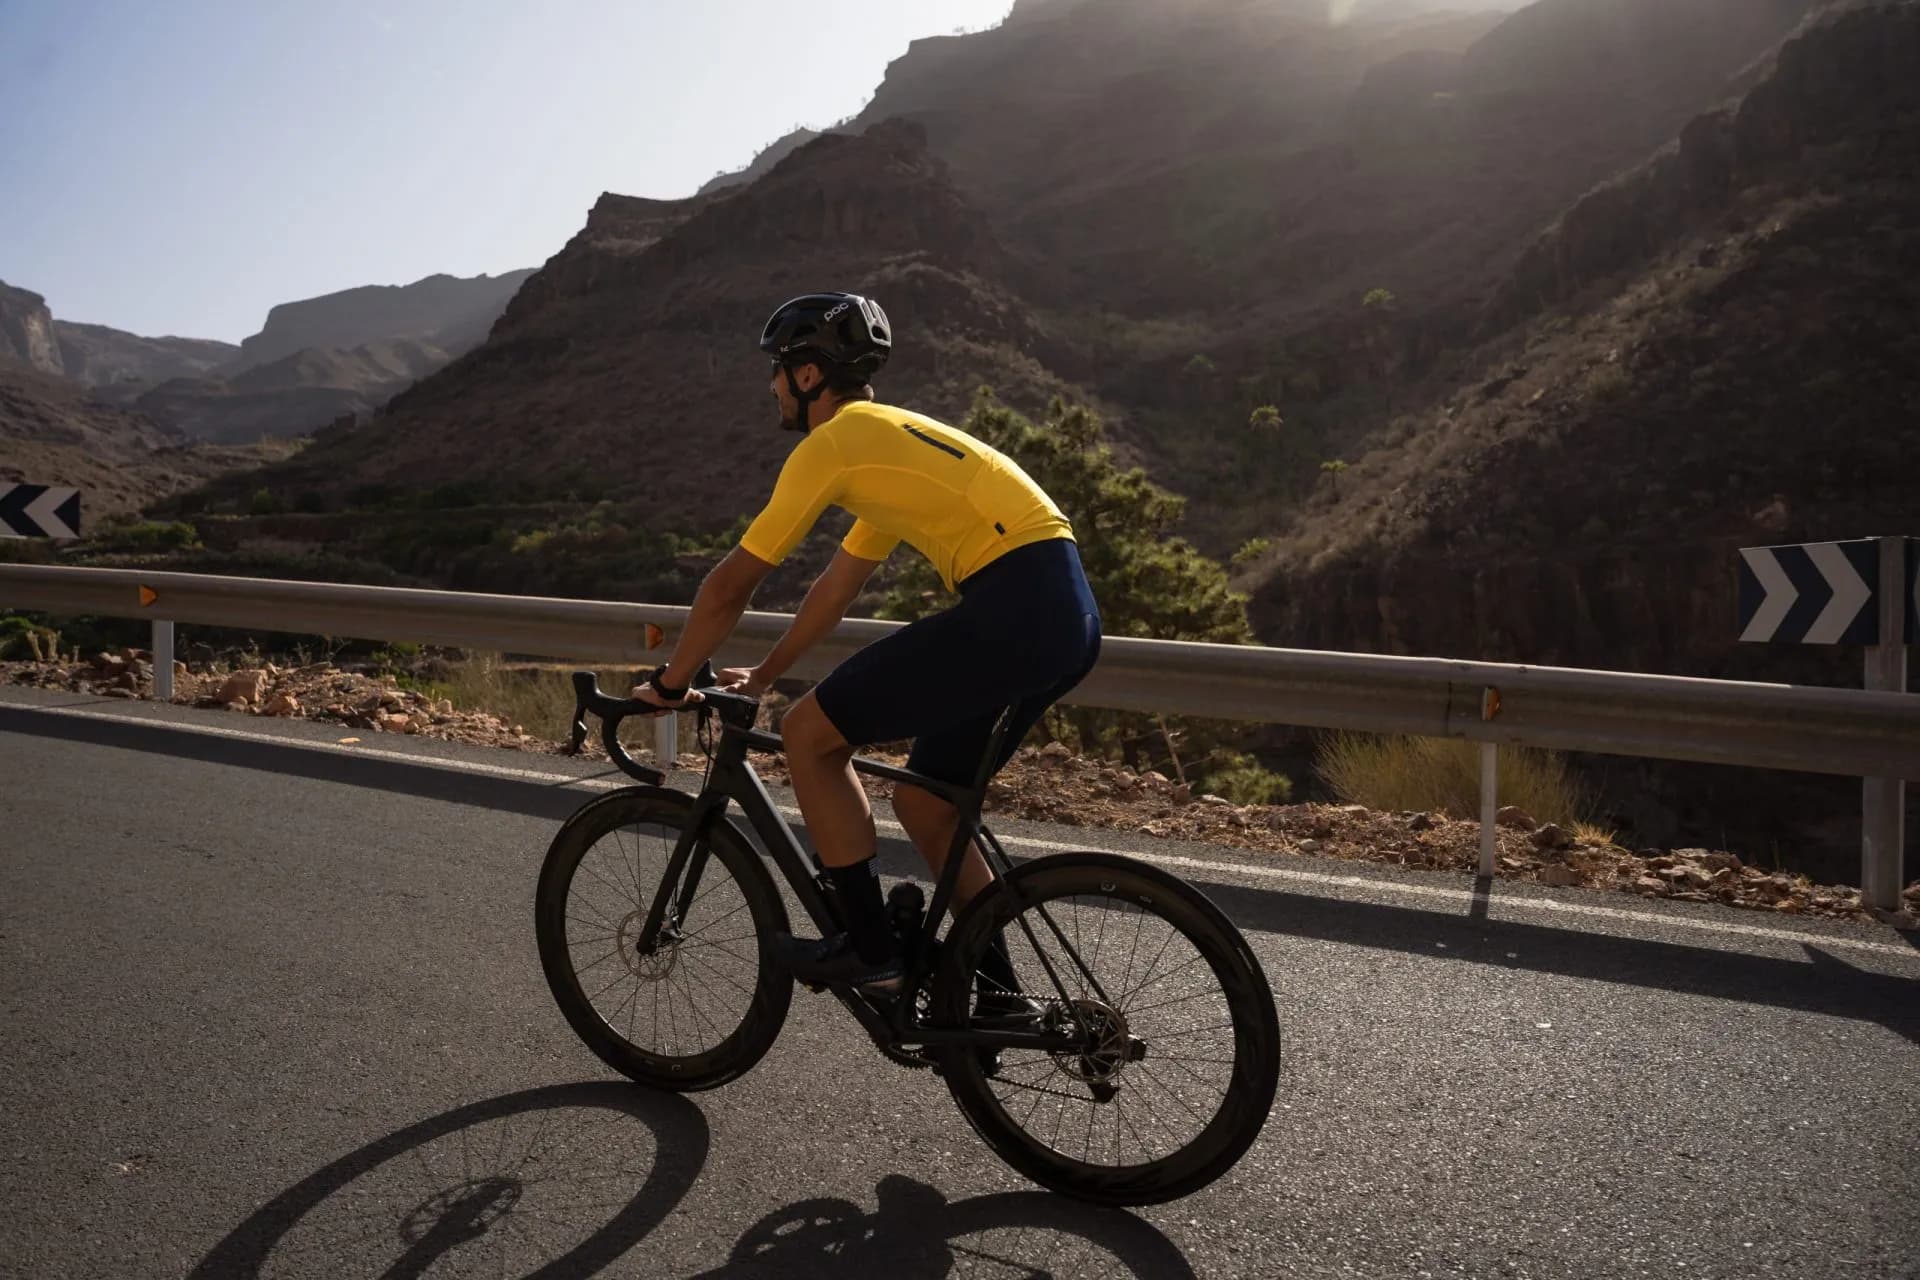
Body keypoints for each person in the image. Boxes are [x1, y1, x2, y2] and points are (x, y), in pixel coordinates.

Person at [632, 292, 1102, 999]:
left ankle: (871, 949)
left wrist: (669, 684)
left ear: (809, 376)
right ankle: (995, 993)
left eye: (777, 370)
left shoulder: (835, 444)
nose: (772, 387)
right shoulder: (888, 445)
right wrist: (763, 672)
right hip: (1062, 611)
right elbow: (836, 587)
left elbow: (733, 585)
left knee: (809, 735)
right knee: (929, 808)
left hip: (1018, 603)